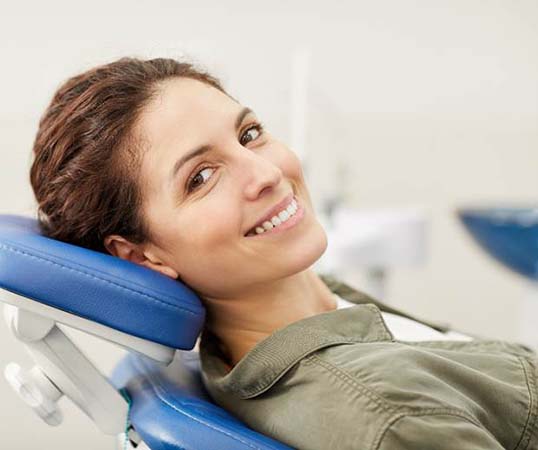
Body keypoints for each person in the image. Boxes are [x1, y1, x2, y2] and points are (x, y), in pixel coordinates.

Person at [29, 57, 538, 450]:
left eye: (249, 134)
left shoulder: (319, 307)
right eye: (201, 178)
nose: (266, 173)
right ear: (142, 257)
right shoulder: (391, 416)